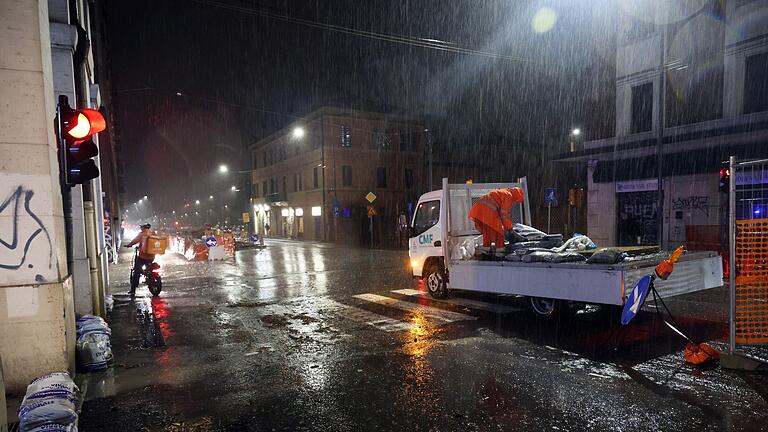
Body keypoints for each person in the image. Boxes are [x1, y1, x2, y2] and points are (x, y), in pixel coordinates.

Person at [124, 223, 155, 296]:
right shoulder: (153, 233)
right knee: (149, 267)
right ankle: (149, 275)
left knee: (136, 271)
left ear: (143, 228)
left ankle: (133, 290)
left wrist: (129, 245)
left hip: (143, 256)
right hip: (152, 257)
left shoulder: (142, 234)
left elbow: (135, 241)